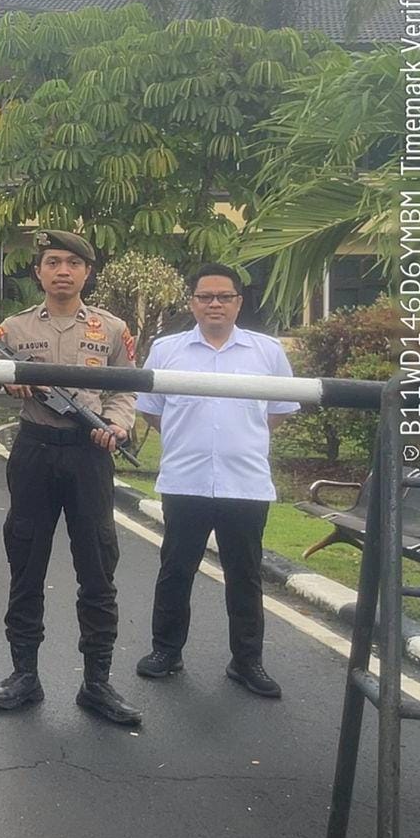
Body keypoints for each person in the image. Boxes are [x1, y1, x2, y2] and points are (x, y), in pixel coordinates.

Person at [0, 230, 141, 726]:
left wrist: (117, 425)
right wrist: (7, 378)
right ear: (39, 272)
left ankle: (97, 682)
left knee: (98, 568)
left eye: (72, 263)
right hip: (35, 452)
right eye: (52, 262)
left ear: (87, 272)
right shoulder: (13, 328)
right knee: (26, 562)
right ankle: (24, 674)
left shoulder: (112, 328)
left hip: (90, 455)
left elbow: (127, 389)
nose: (62, 271)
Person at [134, 263, 299, 699]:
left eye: (224, 297)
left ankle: (246, 662)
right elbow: (151, 409)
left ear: (238, 303)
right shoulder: (166, 350)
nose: (215, 304)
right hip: (185, 480)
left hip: (245, 483)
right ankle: (166, 651)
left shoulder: (266, 352)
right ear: (192, 303)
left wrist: (238, 439)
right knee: (176, 570)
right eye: (205, 296)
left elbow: (279, 412)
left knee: (245, 575)